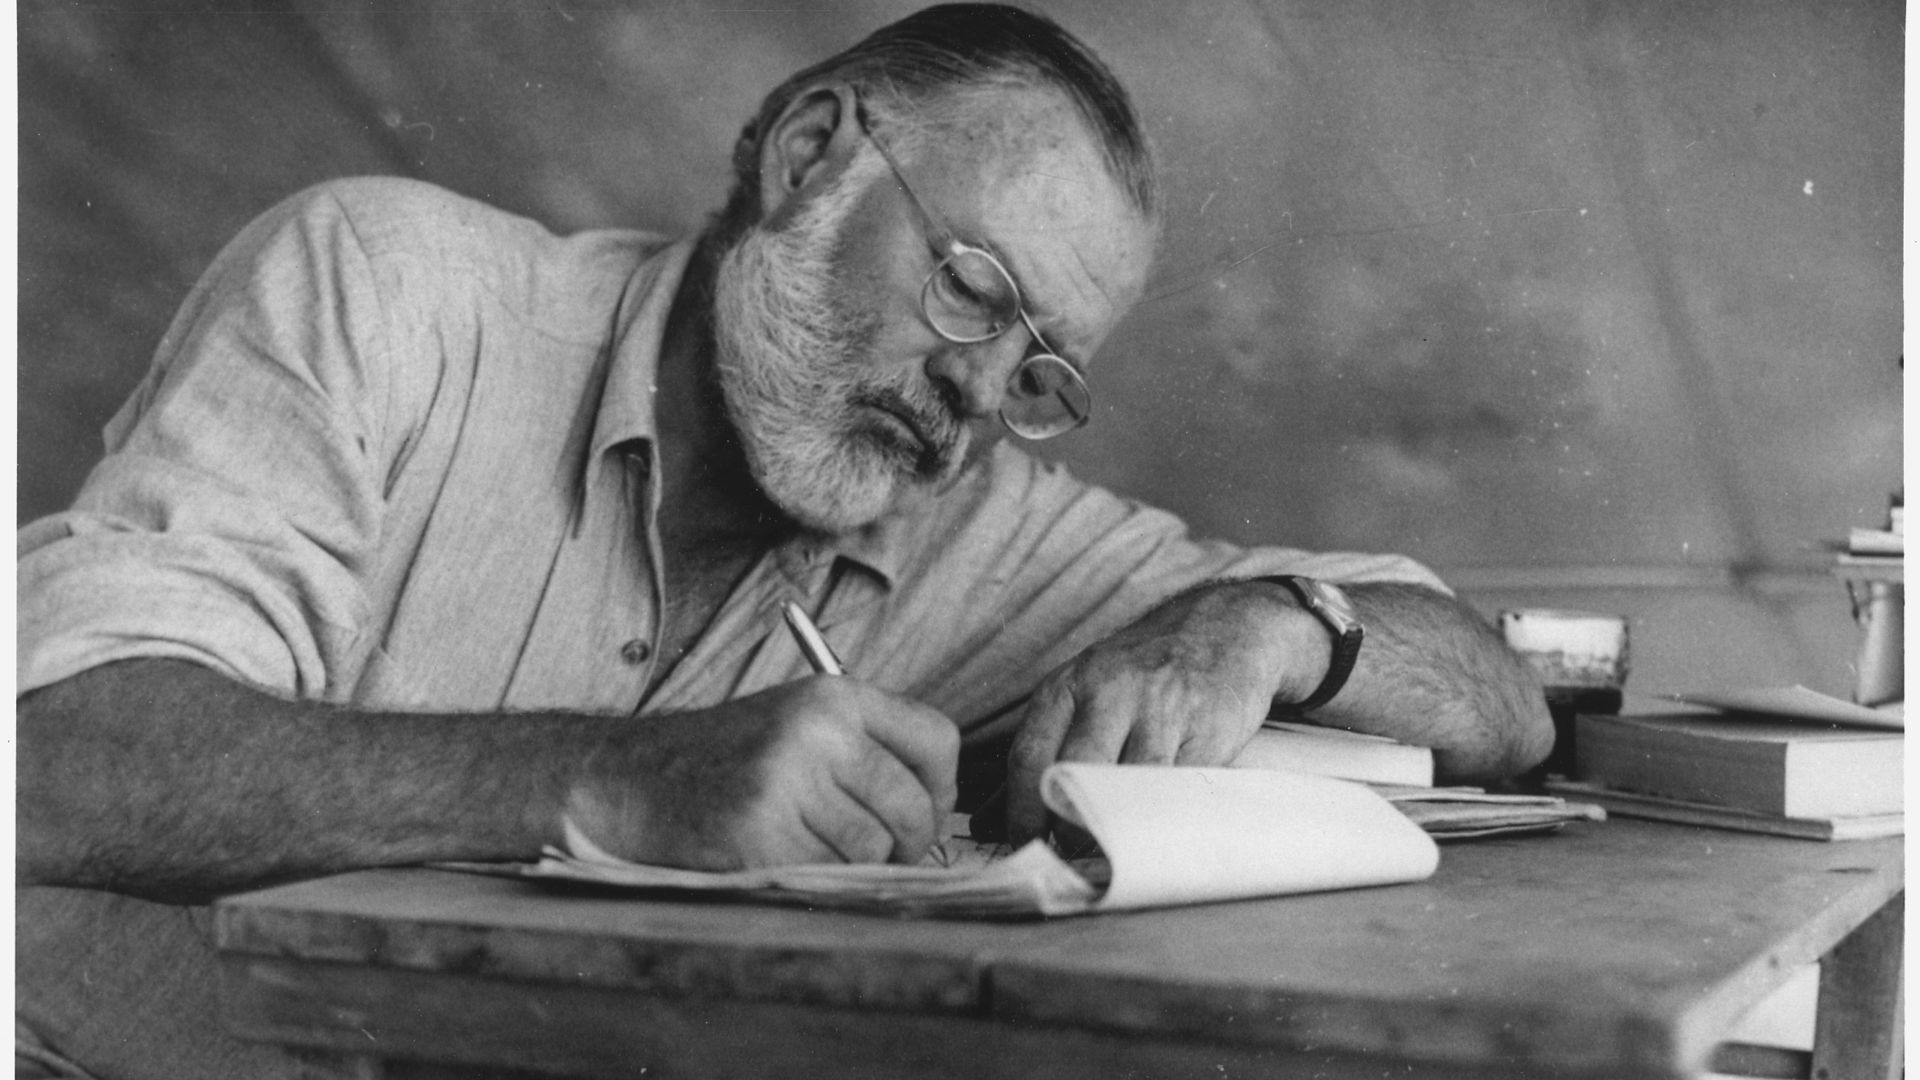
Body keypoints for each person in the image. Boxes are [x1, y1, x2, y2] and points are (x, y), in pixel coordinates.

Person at [16, 5, 1552, 1076]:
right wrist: (613, 783)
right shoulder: (384, 287)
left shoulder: (975, 520)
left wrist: (1276, 625)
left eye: (1040, 371)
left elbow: (1499, 697)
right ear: (811, 151)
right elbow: (52, 760)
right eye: (969, 286)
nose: (975, 386)